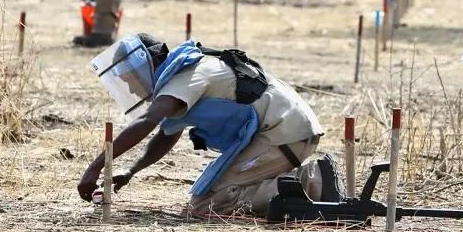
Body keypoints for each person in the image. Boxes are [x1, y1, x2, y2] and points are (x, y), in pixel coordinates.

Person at [77, 33, 343, 216]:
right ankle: (298, 187)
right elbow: (166, 135)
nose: (132, 88)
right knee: (208, 195)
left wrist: (94, 167)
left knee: (208, 203)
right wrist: (131, 171)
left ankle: (313, 179)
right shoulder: (183, 73)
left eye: (132, 78)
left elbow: (148, 121)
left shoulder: (186, 75)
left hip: (284, 134)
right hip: (284, 132)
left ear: (152, 61)